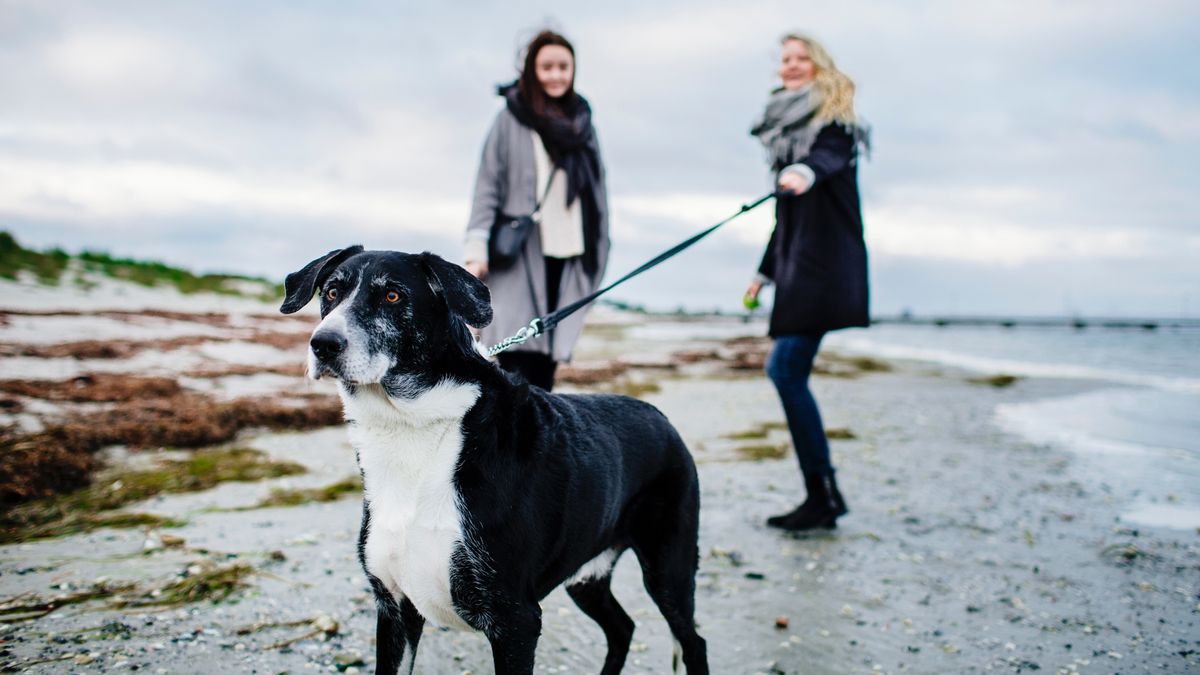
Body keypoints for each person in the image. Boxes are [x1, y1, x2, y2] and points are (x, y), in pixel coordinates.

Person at [745, 33, 871, 531]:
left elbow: (824, 162)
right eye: (785, 60)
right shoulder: (786, 130)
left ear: (819, 66)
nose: (792, 66)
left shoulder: (835, 125)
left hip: (825, 269)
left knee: (786, 371)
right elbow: (786, 220)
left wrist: (802, 171)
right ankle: (824, 494)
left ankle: (823, 495)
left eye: (801, 58)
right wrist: (762, 273)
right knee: (787, 373)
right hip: (799, 269)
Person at [464, 29, 609, 391]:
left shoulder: (583, 124)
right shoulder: (509, 118)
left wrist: (601, 251)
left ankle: (537, 446)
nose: (556, 75)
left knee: (546, 364)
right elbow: (487, 187)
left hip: (570, 253)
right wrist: (475, 250)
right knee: (515, 358)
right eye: (547, 66)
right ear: (531, 69)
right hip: (517, 255)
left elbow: (599, 195)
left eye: (564, 66)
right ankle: (516, 445)